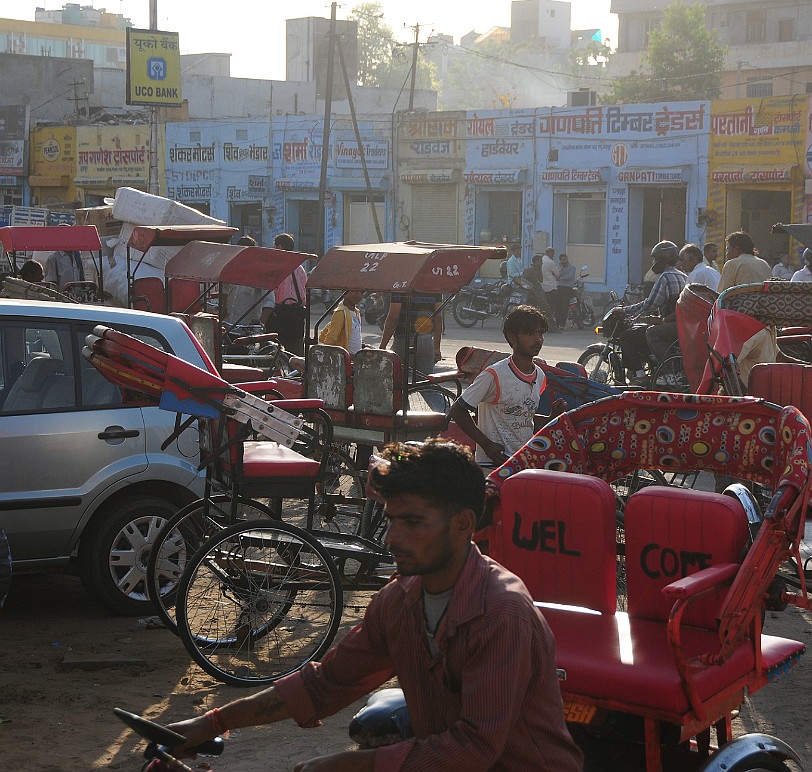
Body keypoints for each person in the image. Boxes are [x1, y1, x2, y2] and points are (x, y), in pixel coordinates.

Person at [166, 438, 584, 772]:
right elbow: (325, 683)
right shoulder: (400, 599)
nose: (392, 538)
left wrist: (350, 764)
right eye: (391, 518)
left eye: (412, 522)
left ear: (463, 525)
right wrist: (211, 723)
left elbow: (473, 749)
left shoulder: (501, 614)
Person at [450, 305, 568, 468]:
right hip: (492, 465)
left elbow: (524, 417)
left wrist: (551, 417)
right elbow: (458, 410)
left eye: (540, 333)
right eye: (529, 333)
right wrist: (487, 445)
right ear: (512, 337)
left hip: (523, 461)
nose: (537, 339)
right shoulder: (493, 375)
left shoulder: (539, 376)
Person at [615, 240, 687, 383]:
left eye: (655, 259)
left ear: (662, 259)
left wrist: (625, 310)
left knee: (627, 337)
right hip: (676, 322)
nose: (653, 262)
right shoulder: (682, 275)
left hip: (670, 325)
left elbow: (650, 303)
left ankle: (643, 375)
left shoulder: (665, 277)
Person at [380, 290, 444, 409]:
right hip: (426, 340)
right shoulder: (434, 286)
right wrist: (436, 347)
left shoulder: (402, 286)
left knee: (398, 383)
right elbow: (438, 318)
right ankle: (447, 413)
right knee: (427, 383)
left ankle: (403, 416)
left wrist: (382, 346)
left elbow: (393, 318)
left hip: (404, 340)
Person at [262, 233, 308, 356]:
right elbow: (305, 294)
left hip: (279, 315)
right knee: (296, 354)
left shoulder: (277, 268)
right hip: (296, 316)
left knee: (272, 353)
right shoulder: (300, 268)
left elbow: (271, 294)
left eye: (275, 246)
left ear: (280, 247)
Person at [223, 235, 275, 327]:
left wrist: (260, 323)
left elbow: (269, 301)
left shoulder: (259, 273)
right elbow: (225, 291)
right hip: (228, 324)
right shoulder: (232, 271)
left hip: (248, 328)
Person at [318, 289, 364, 354]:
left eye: (361, 292)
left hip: (356, 357)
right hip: (345, 358)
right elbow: (331, 339)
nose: (359, 295)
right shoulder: (341, 312)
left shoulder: (356, 312)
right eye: (354, 291)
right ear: (344, 292)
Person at [521, 254, 554, 318]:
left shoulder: (538, 270)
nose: (542, 263)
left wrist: (541, 269)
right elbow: (523, 280)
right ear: (535, 262)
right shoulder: (530, 270)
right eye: (540, 261)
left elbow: (541, 280)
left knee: (546, 308)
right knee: (545, 307)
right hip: (533, 293)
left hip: (538, 292)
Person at [540, 247, 561, 330]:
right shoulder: (550, 262)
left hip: (542, 286)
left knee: (544, 306)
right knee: (552, 306)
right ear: (550, 253)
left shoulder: (541, 261)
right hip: (551, 286)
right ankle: (552, 324)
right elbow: (558, 274)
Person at [556, 252, 576, 329]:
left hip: (567, 289)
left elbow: (569, 277)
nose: (565, 261)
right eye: (563, 260)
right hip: (560, 288)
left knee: (565, 306)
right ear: (560, 260)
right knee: (558, 306)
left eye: (565, 259)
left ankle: (562, 324)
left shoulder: (572, 267)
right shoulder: (559, 267)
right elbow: (557, 275)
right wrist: (561, 267)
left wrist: (560, 278)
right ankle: (557, 322)